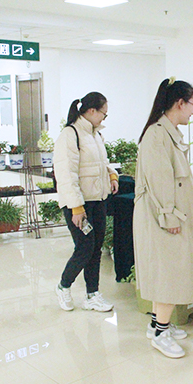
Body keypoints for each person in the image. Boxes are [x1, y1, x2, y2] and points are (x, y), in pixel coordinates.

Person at [134, 78, 193, 359]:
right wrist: (169, 216)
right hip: (162, 217)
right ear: (179, 103)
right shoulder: (156, 135)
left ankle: (159, 324)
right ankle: (160, 333)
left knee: (165, 271)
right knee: (168, 272)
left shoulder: (168, 133)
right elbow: (160, 182)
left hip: (170, 214)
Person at [55, 92, 119, 313]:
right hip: (79, 204)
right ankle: (63, 286)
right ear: (91, 111)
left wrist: (112, 175)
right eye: (103, 114)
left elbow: (102, 162)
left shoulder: (95, 134)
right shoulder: (70, 134)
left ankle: (92, 294)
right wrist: (76, 207)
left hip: (98, 200)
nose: (104, 118)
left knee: (96, 249)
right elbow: (66, 174)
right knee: (85, 248)